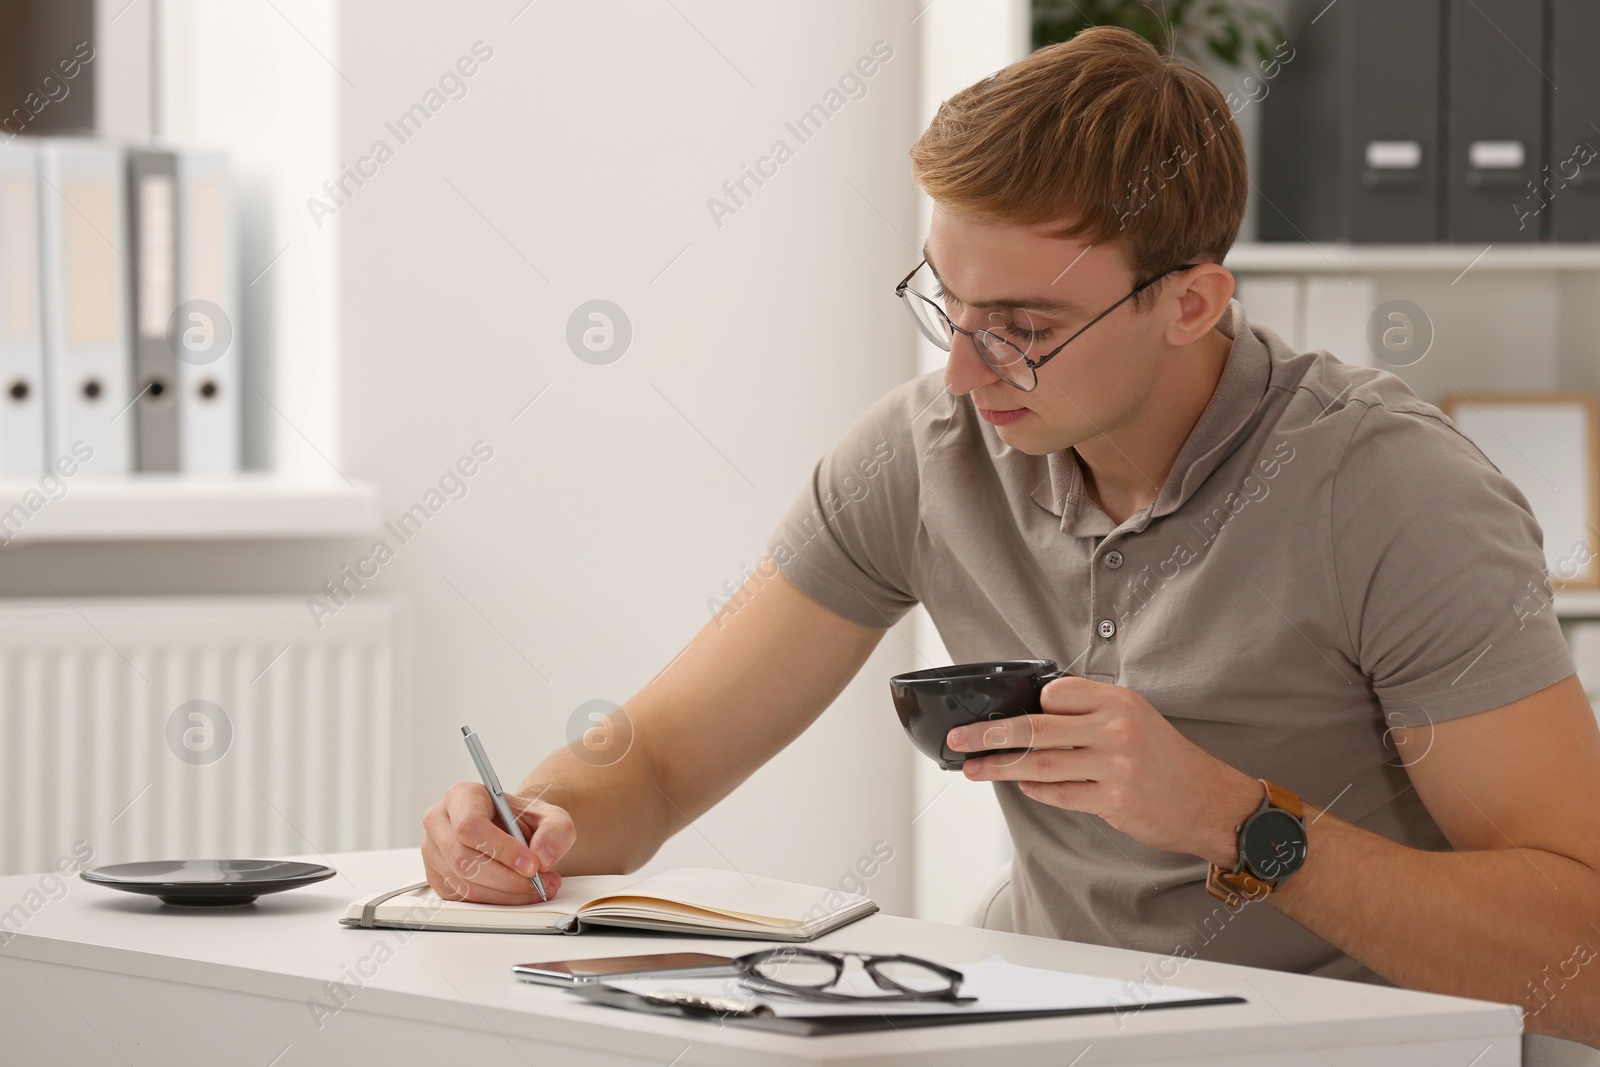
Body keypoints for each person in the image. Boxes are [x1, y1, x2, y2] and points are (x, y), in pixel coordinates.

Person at [422, 26, 1600, 1047]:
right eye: (949, 302)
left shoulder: (1390, 495)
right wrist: (532, 818)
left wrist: (1235, 820)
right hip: (1050, 1023)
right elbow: (665, 758)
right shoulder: (928, 447)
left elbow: (1581, 957)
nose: (963, 367)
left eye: (1025, 327)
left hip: (1364, 1045)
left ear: (1190, 302)